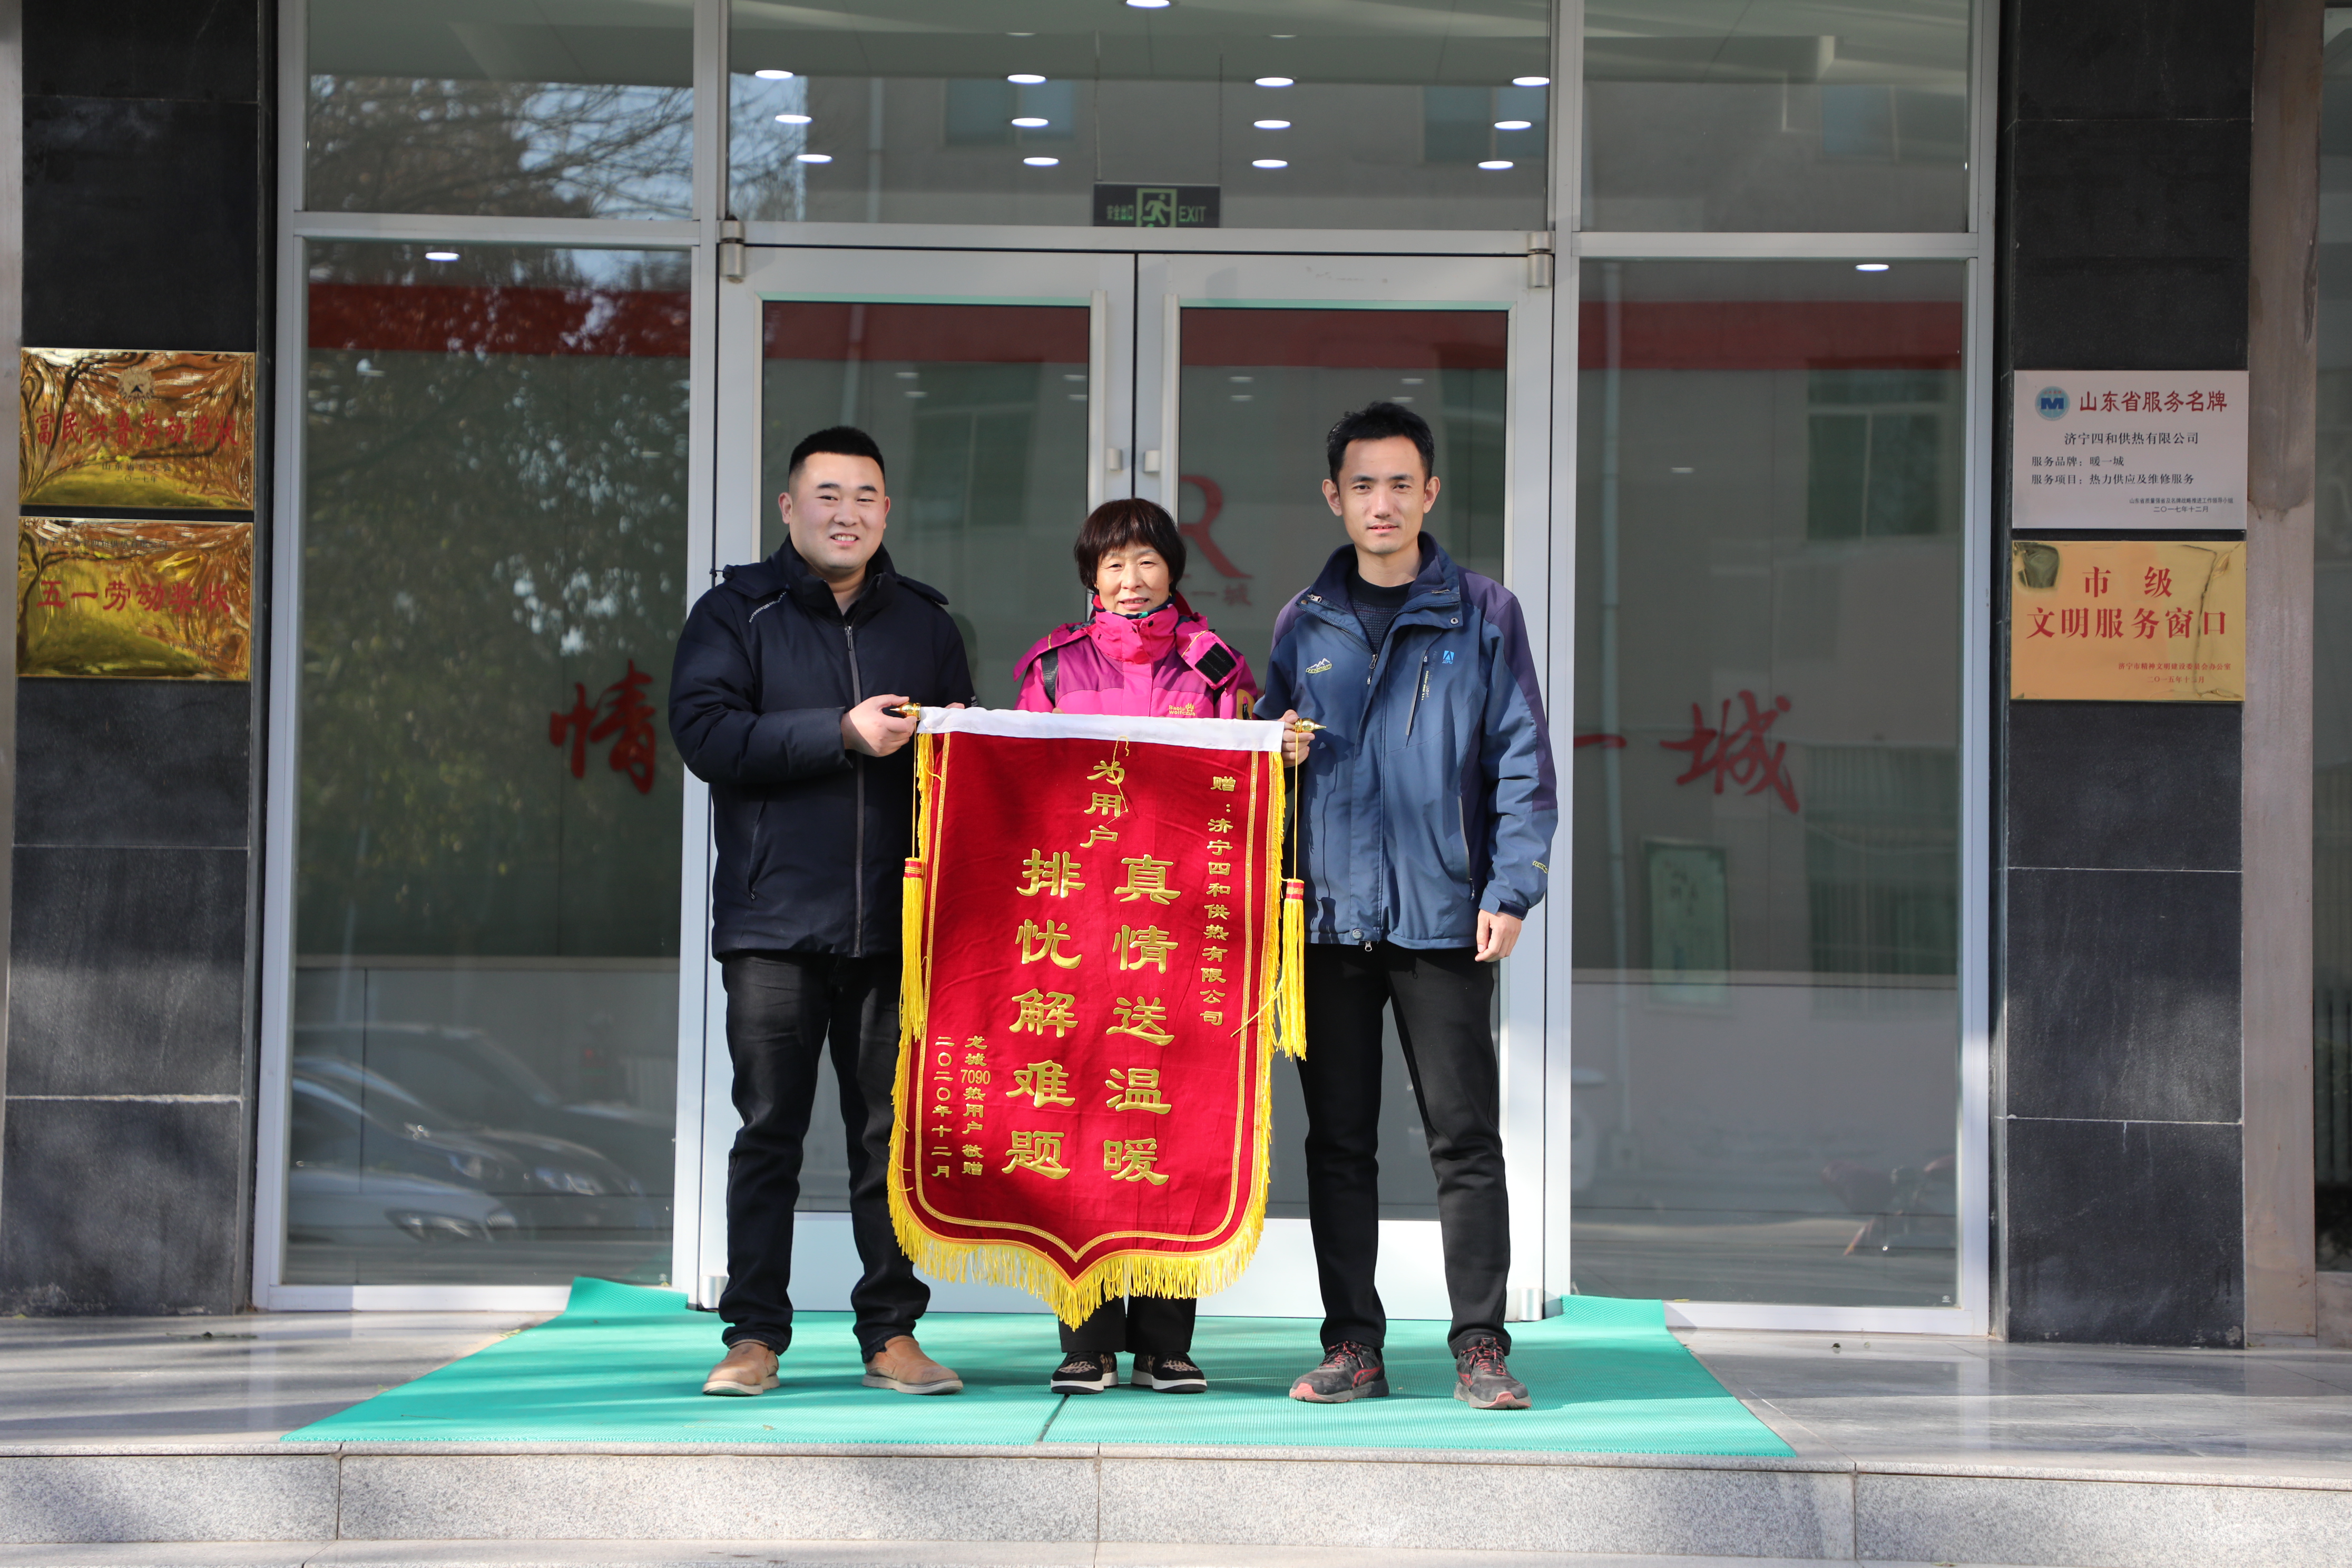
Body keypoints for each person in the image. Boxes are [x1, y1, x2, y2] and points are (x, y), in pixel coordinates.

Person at [1258, 401, 1556, 1412]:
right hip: (1330, 923)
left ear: (1429, 493)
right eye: (1362, 485)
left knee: (1463, 1139)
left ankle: (1481, 1346)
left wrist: (1511, 888)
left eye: (1399, 483)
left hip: (1446, 917)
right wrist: (1274, 752)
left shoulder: (1484, 612)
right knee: (1338, 1145)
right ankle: (1354, 1345)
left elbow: (1521, 758)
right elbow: (1257, 774)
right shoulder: (1303, 623)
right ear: (1333, 497)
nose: (1380, 503)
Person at [670, 426, 977, 1399]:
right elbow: (706, 735)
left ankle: (892, 1332)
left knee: (889, 1138)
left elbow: (963, 766)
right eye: (828, 495)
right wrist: (839, 732)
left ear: (888, 511)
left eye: (866, 497)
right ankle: (754, 1336)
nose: (848, 514)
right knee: (770, 1129)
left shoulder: (926, 625)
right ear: (789, 507)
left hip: (893, 927)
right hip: (772, 921)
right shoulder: (735, 613)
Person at [1012, 497, 1260, 1395]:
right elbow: (1020, 788)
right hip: (1077, 929)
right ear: (1091, 577)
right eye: (1113, 564)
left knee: (1172, 1120)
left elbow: (1243, 785)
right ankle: (1085, 1338)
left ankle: (1165, 1340)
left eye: (1146, 561)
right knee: (1078, 1121)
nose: (1130, 580)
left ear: (1173, 572)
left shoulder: (1216, 668)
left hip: (1179, 926)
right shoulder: (1051, 668)